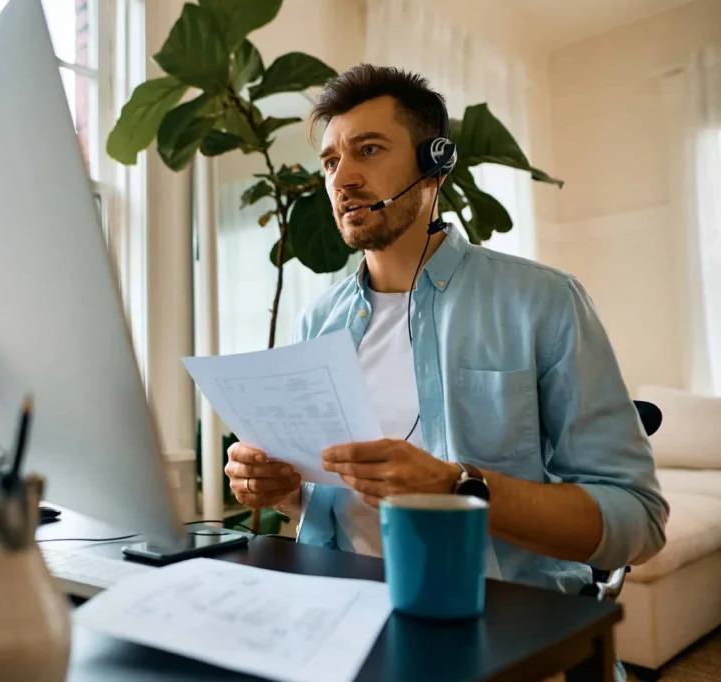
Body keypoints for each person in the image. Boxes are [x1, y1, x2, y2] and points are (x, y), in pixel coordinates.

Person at [226, 65, 668, 602]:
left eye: (368, 150)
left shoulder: (542, 301)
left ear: (435, 165)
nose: (342, 180)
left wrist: (457, 487)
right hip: (340, 608)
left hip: (495, 622)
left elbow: (638, 521)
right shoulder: (317, 322)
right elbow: (334, 507)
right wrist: (288, 492)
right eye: (331, 161)